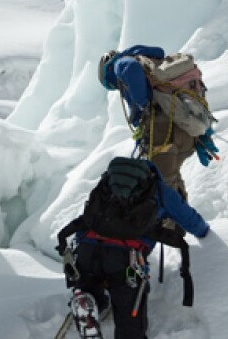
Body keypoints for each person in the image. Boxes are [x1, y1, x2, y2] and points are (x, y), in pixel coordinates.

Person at [56, 158, 210, 339]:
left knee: (90, 280)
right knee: (130, 321)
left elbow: (90, 217)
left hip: (87, 251)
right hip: (126, 259)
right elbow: (190, 220)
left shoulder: (106, 183)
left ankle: (88, 301)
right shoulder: (159, 190)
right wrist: (205, 232)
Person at [97, 46, 218, 199]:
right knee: (169, 182)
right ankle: (181, 219)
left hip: (162, 131)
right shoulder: (156, 67)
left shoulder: (121, 63)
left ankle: (173, 221)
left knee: (161, 190)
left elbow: (131, 69)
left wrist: (144, 105)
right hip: (184, 133)